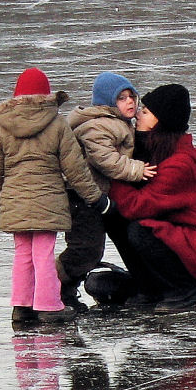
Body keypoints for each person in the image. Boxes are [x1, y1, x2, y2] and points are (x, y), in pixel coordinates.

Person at [0, 67, 111, 327]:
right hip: (48, 200)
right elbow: (75, 169)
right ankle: (49, 306)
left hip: (15, 201)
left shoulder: (2, 128)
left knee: (22, 254)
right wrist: (96, 198)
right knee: (43, 253)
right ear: (47, 95)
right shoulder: (58, 125)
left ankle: (22, 306)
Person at [105, 83, 196, 314]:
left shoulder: (179, 164)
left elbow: (137, 206)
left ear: (161, 122)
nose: (137, 114)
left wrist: (112, 174)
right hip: (181, 236)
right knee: (113, 217)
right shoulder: (156, 150)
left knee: (140, 229)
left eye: (144, 112)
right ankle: (149, 289)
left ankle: (185, 293)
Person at [59, 72, 157, 312]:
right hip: (82, 197)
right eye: (122, 98)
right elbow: (105, 159)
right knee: (85, 248)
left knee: (92, 248)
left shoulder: (118, 123)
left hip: (97, 196)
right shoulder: (98, 125)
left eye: (131, 96)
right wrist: (136, 169)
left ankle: (63, 289)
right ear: (107, 102)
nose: (130, 102)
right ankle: (55, 288)